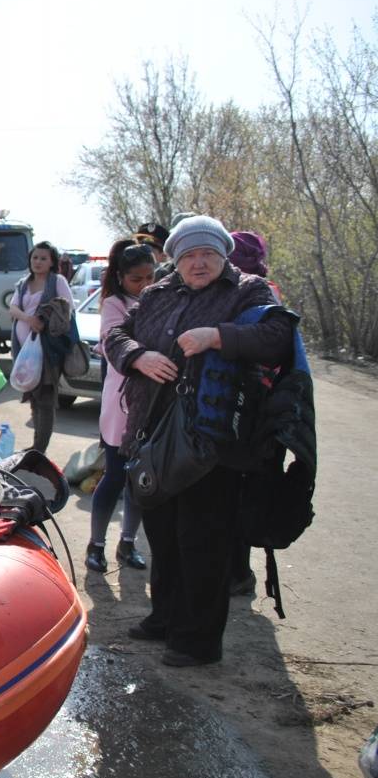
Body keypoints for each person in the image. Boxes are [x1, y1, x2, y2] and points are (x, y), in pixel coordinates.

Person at [104, 215, 293, 667]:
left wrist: (218, 337)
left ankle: (198, 640)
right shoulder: (158, 292)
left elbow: (278, 337)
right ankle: (165, 617)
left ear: (223, 253)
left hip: (212, 441)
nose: (199, 262)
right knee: (164, 536)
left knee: (203, 540)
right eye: (188, 254)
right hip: (153, 433)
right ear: (176, 259)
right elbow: (114, 336)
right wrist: (139, 356)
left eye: (207, 252)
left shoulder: (247, 290)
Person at [85, 241, 157, 574]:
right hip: (122, 399)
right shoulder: (114, 305)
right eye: (136, 280)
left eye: (150, 277)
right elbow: (114, 342)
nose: (144, 286)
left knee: (141, 480)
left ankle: (127, 543)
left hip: (153, 401)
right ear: (121, 277)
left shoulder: (163, 298)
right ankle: (95, 545)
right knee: (114, 475)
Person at [225, 229, 280, 596]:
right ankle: (239, 571)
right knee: (243, 492)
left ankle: (238, 573)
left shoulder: (253, 292)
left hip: (247, 411)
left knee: (234, 492)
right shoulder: (269, 289)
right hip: (266, 413)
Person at [8, 241, 74, 454]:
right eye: (35, 258)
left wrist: (44, 320)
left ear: (52, 261)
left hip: (47, 350)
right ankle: (36, 445)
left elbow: (67, 309)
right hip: (23, 350)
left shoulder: (58, 281)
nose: (38, 262)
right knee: (33, 397)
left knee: (45, 398)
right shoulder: (23, 283)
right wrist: (29, 319)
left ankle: (39, 449)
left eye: (43, 258)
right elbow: (13, 308)